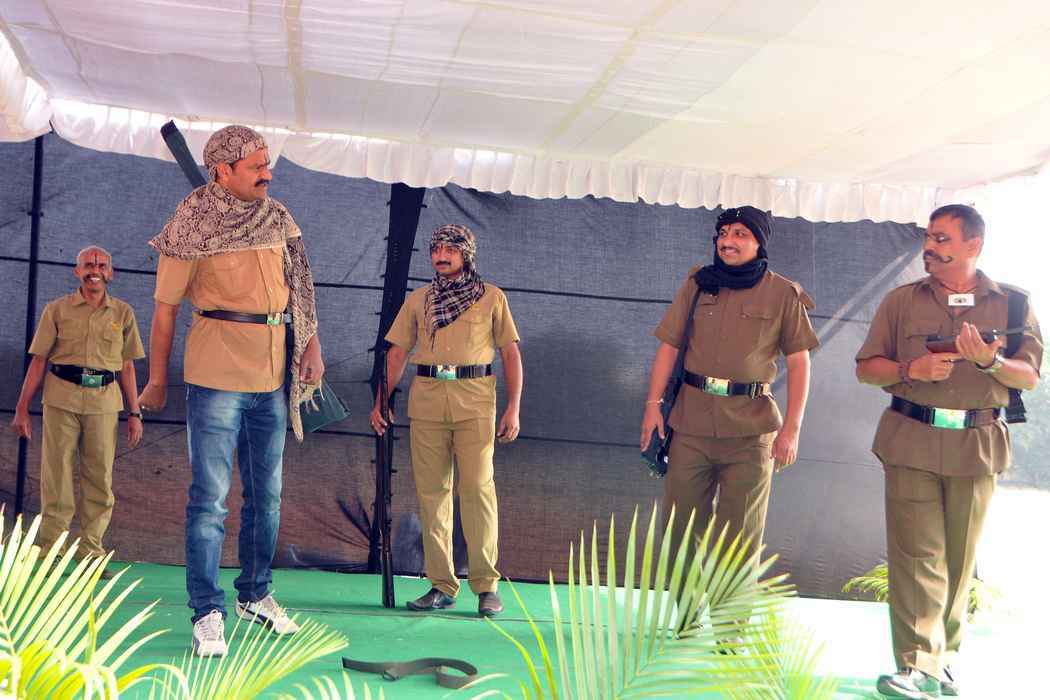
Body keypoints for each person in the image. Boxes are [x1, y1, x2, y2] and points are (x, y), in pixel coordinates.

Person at [139, 125, 324, 657]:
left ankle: (255, 594)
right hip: (216, 375)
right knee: (210, 500)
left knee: (267, 497)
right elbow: (165, 311)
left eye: (267, 162)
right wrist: (157, 380)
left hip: (273, 376)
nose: (268, 173)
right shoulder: (190, 224)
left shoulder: (277, 216)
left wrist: (311, 345)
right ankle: (207, 611)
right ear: (222, 170)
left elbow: (300, 288)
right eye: (256, 165)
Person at [856, 204, 1041, 698]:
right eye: (929, 237)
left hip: (977, 446)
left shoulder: (1014, 305)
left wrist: (989, 361)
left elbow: (1029, 376)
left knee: (959, 562)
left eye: (942, 238)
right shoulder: (901, 301)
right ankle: (916, 664)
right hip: (911, 440)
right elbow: (867, 368)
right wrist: (909, 370)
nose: (930, 247)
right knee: (917, 557)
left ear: (973, 244)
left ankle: (943, 660)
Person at [640, 206, 818, 574]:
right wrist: (653, 405)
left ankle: (729, 613)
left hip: (751, 433)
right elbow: (669, 346)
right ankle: (686, 607)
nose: (728, 241)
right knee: (681, 530)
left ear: (758, 243)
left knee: (740, 538)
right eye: (723, 233)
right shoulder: (699, 283)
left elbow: (800, 363)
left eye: (740, 234)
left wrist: (792, 429)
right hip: (691, 425)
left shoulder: (783, 293)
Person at [371, 224, 522, 618]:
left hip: (475, 400)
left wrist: (513, 407)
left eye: (450, 250)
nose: (441, 256)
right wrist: (381, 400)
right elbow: (397, 353)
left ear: (466, 254)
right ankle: (441, 585)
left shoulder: (492, 297)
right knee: (432, 494)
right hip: (428, 401)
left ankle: (486, 586)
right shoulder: (420, 299)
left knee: (477, 490)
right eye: (436, 249)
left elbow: (510, 354)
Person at [11, 246, 144, 576]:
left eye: (101, 265)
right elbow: (39, 361)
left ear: (110, 273)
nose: (94, 270)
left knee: (99, 478)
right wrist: (22, 408)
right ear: (77, 271)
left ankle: (90, 554)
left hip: (104, 403)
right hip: (61, 399)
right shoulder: (57, 309)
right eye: (87, 265)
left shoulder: (123, 313)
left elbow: (127, 366)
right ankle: (50, 552)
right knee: (56, 475)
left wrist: (135, 412)